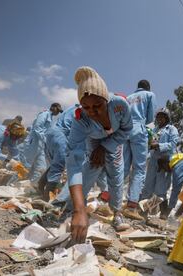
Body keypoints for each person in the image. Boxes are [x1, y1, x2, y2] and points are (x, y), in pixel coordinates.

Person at [63, 66, 132, 243]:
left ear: (107, 100)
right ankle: (75, 209)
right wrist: (80, 210)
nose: (92, 112)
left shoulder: (120, 106)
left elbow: (126, 129)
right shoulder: (80, 120)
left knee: (116, 172)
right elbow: (74, 162)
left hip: (114, 140)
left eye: (97, 106)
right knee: (92, 166)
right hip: (93, 140)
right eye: (86, 107)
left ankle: (117, 213)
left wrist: (106, 147)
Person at [122, 80, 156, 220]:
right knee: (139, 169)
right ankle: (131, 206)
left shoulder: (128, 98)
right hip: (138, 130)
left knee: (122, 167)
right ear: (148, 87)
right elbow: (149, 117)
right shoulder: (149, 95)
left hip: (125, 131)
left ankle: (109, 199)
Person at [140, 108, 179, 217]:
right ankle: (143, 213)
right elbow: (148, 143)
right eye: (158, 116)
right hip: (153, 161)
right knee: (147, 188)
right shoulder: (154, 130)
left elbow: (173, 145)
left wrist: (159, 145)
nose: (159, 119)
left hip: (164, 162)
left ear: (167, 118)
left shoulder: (171, 129)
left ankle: (164, 214)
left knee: (160, 189)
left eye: (162, 116)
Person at [38, 105, 79, 201]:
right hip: (61, 136)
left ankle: (41, 185)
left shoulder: (73, 107)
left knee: (55, 164)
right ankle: (46, 199)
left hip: (51, 133)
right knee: (58, 166)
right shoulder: (86, 111)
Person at [22, 103, 62, 183]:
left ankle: (30, 186)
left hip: (41, 146)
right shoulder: (44, 114)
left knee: (42, 169)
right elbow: (37, 127)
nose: (58, 113)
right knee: (24, 167)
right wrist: (45, 139)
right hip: (33, 143)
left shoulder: (50, 118)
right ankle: (11, 185)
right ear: (53, 108)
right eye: (58, 110)